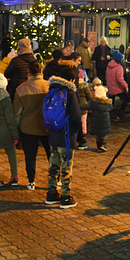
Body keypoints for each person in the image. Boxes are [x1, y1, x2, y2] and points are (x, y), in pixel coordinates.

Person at [45, 68, 82, 209]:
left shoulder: (52, 90)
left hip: (53, 133)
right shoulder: (70, 92)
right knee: (67, 166)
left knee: (53, 165)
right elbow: (76, 115)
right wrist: (77, 131)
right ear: (72, 80)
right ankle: (66, 197)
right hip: (66, 135)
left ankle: (51, 194)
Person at [13, 60, 51, 191]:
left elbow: (16, 113)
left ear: (28, 71)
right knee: (51, 154)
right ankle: (54, 180)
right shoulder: (49, 87)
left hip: (27, 127)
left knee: (30, 155)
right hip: (47, 127)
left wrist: (16, 129)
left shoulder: (21, 88)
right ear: (41, 70)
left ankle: (31, 181)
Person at [80, 81, 112, 153]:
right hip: (105, 122)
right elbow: (111, 108)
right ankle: (103, 145)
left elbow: (86, 107)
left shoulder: (94, 103)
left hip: (96, 122)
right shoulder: (108, 103)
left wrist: (78, 105)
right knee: (104, 134)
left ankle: (98, 146)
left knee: (97, 134)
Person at [76, 69, 93, 150]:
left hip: (76, 104)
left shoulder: (74, 85)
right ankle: (83, 134)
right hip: (83, 103)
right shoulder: (84, 85)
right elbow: (89, 95)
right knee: (83, 120)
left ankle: (76, 134)